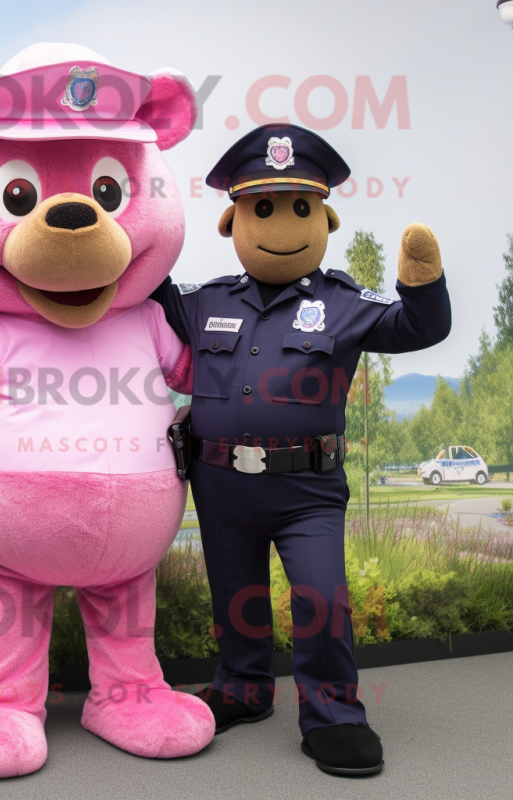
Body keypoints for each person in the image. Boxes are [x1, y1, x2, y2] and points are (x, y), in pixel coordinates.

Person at [151, 123, 451, 776]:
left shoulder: (343, 303)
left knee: (320, 599)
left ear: (324, 216)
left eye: (299, 207)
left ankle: (334, 716)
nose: (282, 223)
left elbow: (421, 328)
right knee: (235, 594)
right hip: (220, 482)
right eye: (263, 207)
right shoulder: (203, 302)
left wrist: (422, 281)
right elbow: (138, 292)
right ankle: (243, 688)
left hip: (307, 488)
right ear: (234, 220)